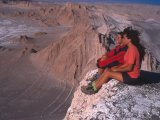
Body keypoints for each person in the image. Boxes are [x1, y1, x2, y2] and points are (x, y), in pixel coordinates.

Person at [82, 27, 145, 95]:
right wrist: (115, 68)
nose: (122, 39)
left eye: (124, 37)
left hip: (131, 77)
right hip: (128, 74)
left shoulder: (132, 50)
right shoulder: (130, 48)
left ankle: (94, 89)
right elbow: (126, 64)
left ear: (129, 39)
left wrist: (116, 69)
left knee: (108, 73)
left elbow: (129, 68)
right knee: (108, 70)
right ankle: (93, 85)